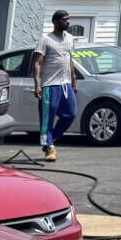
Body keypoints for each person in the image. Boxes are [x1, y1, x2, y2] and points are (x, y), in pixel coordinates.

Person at [33, 10, 78, 162]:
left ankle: (51, 139)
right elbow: (38, 63)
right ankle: (48, 147)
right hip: (49, 86)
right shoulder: (46, 40)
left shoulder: (70, 39)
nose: (68, 22)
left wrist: (74, 80)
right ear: (56, 21)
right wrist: (37, 85)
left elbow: (70, 60)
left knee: (70, 114)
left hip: (65, 84)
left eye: (68, 19)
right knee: (47, 119)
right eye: (65, 19)